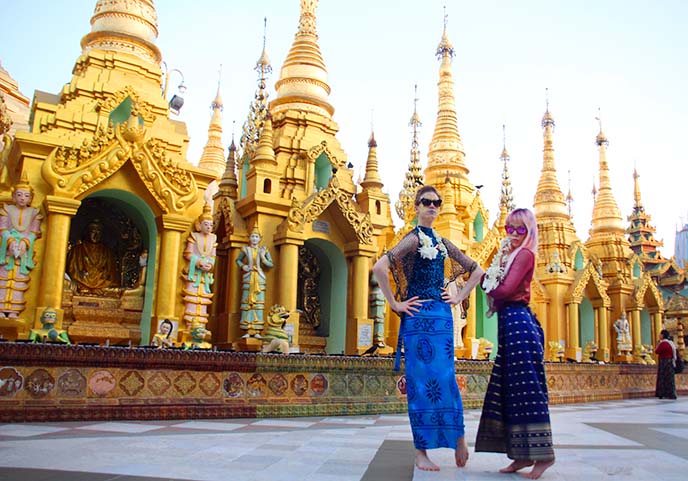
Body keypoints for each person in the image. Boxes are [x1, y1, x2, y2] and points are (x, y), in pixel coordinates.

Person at [372, 185, 484, 472]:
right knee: (420, 383)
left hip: (442, 318)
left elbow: (478, 271)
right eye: (426, 202)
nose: (432, 207)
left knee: (447, 378)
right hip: (418, 318)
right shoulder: (411, 239)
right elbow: (379, 268)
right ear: (417, 206)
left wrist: (458, 296)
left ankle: (458, 437)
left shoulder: (444, 243)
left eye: (437, 203)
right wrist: (395, 303)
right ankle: (421, 451)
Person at [475, 208, 555, 479]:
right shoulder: (509, 256)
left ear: (529, 231)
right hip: (509, 324)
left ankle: (543, 456)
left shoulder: (524, 255)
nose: (513, 234)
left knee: (527, 389)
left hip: (520, 324)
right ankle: (520, 455)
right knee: (511, 389)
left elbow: (507, 290)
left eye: (519, 229)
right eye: (509, 228)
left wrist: (482, 281)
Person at [0, 173, 43, 319]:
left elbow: (34, 231)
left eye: (26, 195)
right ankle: (1, 308)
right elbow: (3, 228)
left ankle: (14, 310)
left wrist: (25, 243)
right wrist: (11, 241)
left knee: (19, 279)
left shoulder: (34, 213)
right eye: (19, 195)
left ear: (31, 198)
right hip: (7, 250)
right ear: (13, 197)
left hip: (24, 253)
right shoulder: (6, 210)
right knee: (4, 278)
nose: (22, 198)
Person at [181, 204, 217, 327]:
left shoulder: (213, 238)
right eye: (206, 224)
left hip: (205, 274)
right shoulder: (194, 236)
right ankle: (190, 325)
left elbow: (213, 256)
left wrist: (210, 265)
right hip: (194, 272)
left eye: (211, 225)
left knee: (203, 299)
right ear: (199, 225)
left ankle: (201, 326)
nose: (209, 227)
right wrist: (199, 262)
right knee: (193, 297)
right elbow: (188, 253)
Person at [236, 225, 274, 338]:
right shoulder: (245, 249)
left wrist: (263, 257)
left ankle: (257, 330)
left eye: (256, 237)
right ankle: (247, 329)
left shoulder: (264, 250)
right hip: (248, 276)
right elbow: (237, 260)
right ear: (249, 238)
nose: (254, 239)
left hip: (259, 277)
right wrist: (243, 266)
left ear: (260, 238)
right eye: (252, 236)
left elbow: (270, 264)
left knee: (258, 304)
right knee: (247, 303)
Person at [66, 219, 119, 292]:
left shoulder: (107, 253)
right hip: (81, 286)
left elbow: (113, 278)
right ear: (87, 232)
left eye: (99, 232)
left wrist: (99, 284)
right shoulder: (76, 251)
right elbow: (71, 273)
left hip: (102, 287)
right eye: (93, 231)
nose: (96, 235)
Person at [655, 329, 677, 400]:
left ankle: (662, 393)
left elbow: (657, 351)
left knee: (662, 378)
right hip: (670, 362)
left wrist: (658, 344)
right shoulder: (671, 343)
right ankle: (671, 393)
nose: (659, 335)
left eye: (660, 334)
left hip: (664, 362)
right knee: (670, 379)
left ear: (663, 335)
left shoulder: (663, 343)